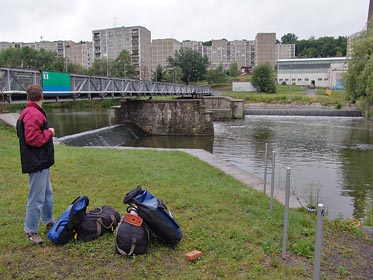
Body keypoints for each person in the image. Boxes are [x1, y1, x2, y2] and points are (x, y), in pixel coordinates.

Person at [16, 84, 55, 245]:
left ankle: (49, 222)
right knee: (36, 198)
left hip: (41, 161)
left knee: (47, 195)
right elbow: (32, 138)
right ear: (42, 97)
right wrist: (49, 132)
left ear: (27, 97)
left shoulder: (29, 112)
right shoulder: (32, 114)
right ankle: (31, 230)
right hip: (37, 162)